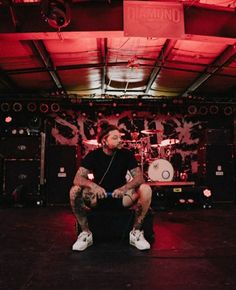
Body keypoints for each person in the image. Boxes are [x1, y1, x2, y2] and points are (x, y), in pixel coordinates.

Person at [69, 123, 152, 251]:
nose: (120, 140)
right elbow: (77, 179)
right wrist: (94, 186)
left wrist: (123, 189)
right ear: (104, 141)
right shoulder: (93, 155)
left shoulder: (126, 154)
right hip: (97, 198)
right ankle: (86, 233)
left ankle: (135, 233)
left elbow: (139, 178)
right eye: (115, 138)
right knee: (74, 191)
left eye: (120, 137)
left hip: (122, 198)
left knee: (146, 189)